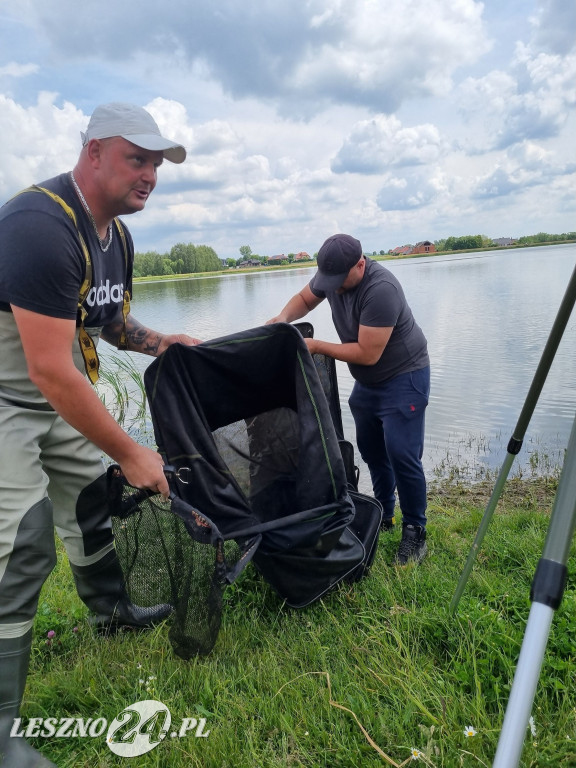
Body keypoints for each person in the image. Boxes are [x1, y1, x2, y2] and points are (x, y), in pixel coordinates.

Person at [0, 102, 201, 767]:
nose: (149, 175)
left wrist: (162, 342)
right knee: (22, 546)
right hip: (9, 398)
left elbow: (110, 324)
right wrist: (132, 450)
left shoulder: (117, 235)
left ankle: (111, 614)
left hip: (55, 396)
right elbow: (51, 366)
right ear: (92, 153)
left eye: (156, 165)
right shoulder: (38, 225)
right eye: (136, 159)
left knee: (91, 507)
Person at [267, 233, 430, 567]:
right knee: (371, 449)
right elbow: (305, 298)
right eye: (329, 281)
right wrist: (282, 319)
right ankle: (385, 511)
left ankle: (416, 529)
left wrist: (316, 346)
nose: (334, 287)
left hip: (404, 377)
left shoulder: (381, 289)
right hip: (368, 385)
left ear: (360, 263)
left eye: (339, 280)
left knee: (402, 453)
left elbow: (367, 353)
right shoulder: (333, 273)